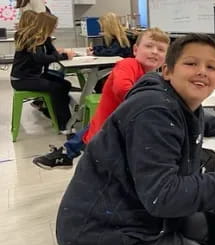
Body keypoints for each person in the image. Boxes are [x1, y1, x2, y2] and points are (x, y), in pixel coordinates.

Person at [56, 33, 215, 245]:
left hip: (139, 215)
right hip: (105, 241)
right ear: (167, 71)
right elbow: (165, 197)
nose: (202, 71)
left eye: (211, 67)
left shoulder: (175, 101)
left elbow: (192, 120)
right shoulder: (153, 111)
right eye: (191, 63)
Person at [32, 27, 170, 169]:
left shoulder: (156, 77)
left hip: (115, 126)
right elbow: (122, 89)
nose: (154, 51)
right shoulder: (128, 64)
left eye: (160, 49)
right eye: (149, 46)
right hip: (109, 136)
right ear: (135, 50)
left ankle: (66, 153)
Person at [11, 12, 75, 133]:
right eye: (54, 26)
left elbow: (53, 53)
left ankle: (54, 113)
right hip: (23, 79)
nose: (55, 28)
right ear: (47, 26)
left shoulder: (45, 39)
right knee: (56, 88)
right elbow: (40, 58)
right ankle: (64, 124)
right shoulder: (31, 39)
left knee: (65, 84)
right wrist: (64, 56)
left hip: (35, 75)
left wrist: (58, 55)